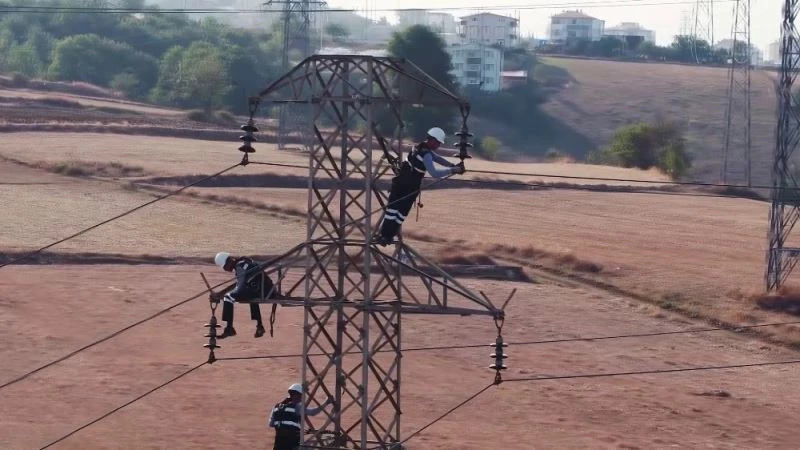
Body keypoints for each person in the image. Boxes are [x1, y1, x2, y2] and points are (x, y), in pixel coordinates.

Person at [377, 126, 465, 246]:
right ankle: (387, 237)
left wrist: (453, 165)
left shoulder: (418, 147)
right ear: (432, 140)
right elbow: (434, 173)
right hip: (410, 186)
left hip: (399, 182)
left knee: (392, 210)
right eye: (438, 142)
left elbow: (437, 158)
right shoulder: (426, 155)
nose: (439, 145)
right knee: (400, 213)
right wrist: (453, 170)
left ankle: (384, 235)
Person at [211, 252, 279, 338]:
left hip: (265, 292)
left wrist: (228, 295)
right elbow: (242, 283)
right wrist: (223, 293)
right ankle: (259, 326)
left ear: (228, 263)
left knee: (228, 297)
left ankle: (229, 329)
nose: (225, 269)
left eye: (224, 267)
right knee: (250, 294)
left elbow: (240, 288)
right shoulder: (244, 262)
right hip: (268, 290)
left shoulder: (240, 267)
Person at [269, 383, 334, 450]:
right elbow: (313, 412)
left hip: (278, 445)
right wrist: (326, 402)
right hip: (292, 445)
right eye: (301, 396)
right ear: (297, 395)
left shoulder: (276, 407)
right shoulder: (296, 407)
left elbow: (271, 424)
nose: (302, 398)